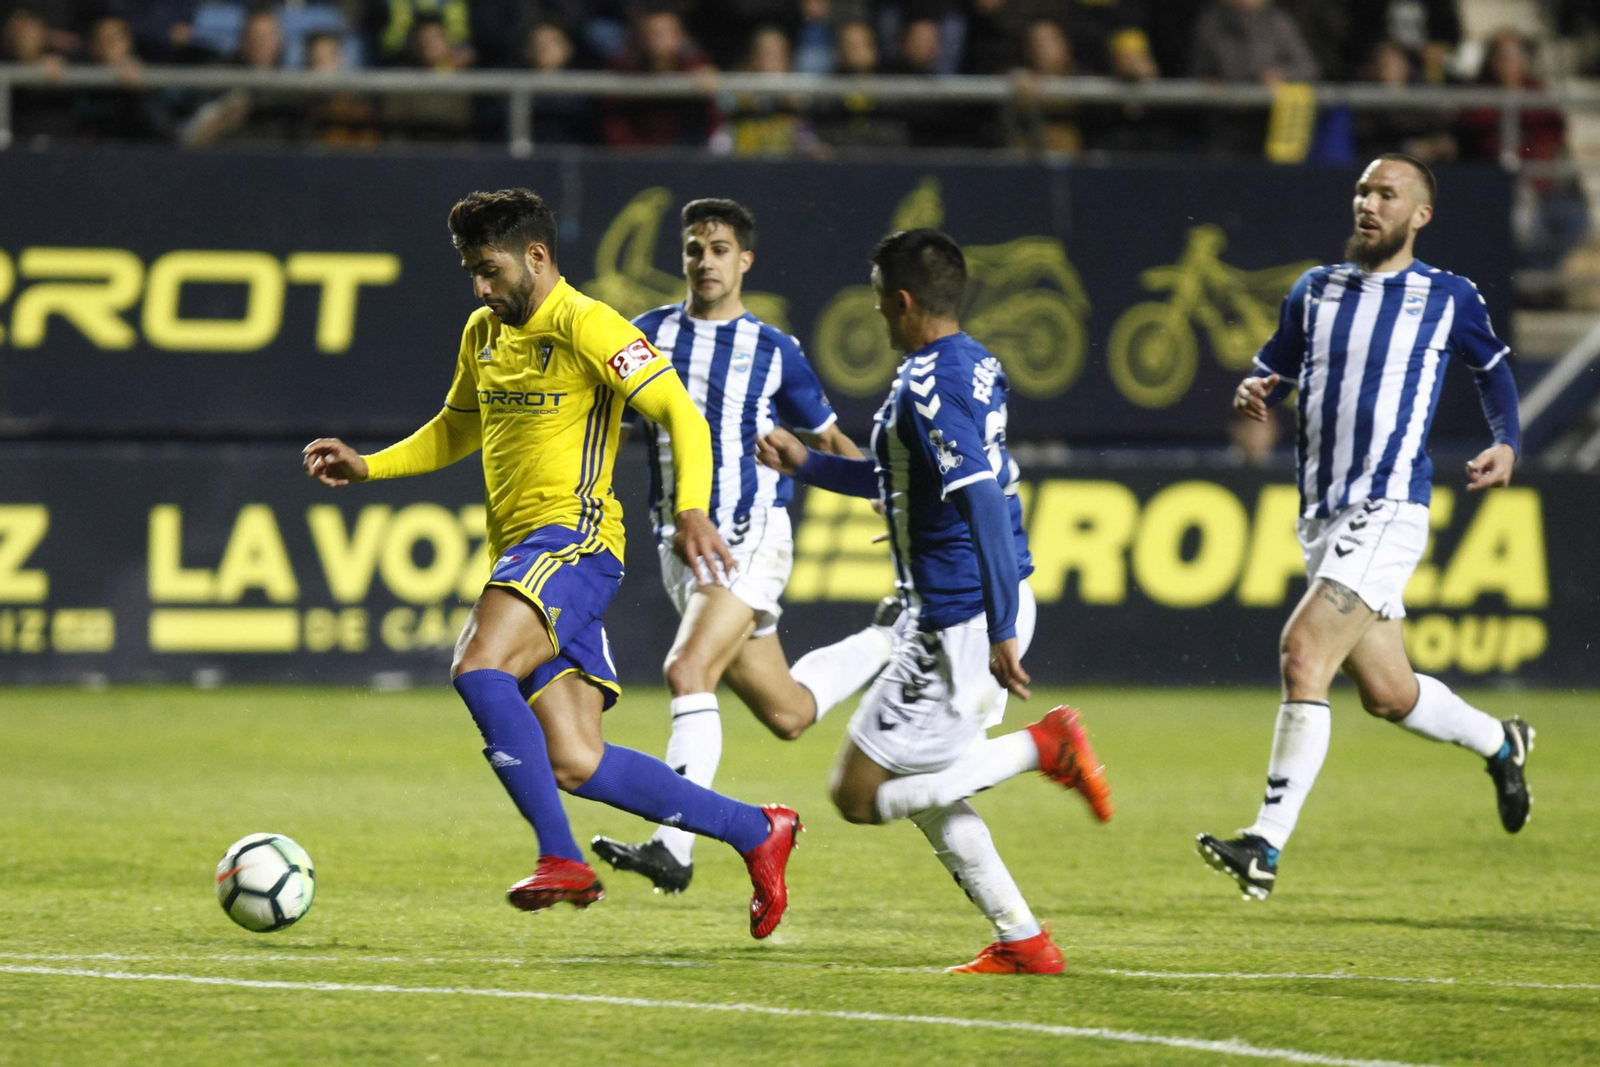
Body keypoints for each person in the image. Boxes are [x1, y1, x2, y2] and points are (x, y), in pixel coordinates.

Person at [301, 188, 801, 940]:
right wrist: (370, 467)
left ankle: (560, 855)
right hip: (529, 556)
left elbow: (680, 415)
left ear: (536, 256)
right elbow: (454, 428)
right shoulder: (482, 333)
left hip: (576, 541)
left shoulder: (590, 325)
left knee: (477, 664)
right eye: (472, 271)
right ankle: (756, 828)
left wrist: (692, 506)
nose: (480, 287)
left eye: (490, 269)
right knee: (576, 758)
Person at [755, 230, 1114, 974]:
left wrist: (1002, 627)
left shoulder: (927, 385)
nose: (877, 310)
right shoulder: (974, 363)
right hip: (970, 607)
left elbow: (981, 498)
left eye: (880, 296)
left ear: (903, 299)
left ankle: (1041, 747)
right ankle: (1023, 939)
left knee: (857, 791)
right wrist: (809, 462)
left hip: (959, 620)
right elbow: (910, 479)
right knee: (921, 788)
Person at [1196, 154, 1532, 901]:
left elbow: (1494, 370)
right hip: (1320, 511)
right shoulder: (1314, 290)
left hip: (1387, 506)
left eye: (1387, 194)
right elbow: (1273, 366)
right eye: (1362, 190)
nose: (1368, 203)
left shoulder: (1446, 296)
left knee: (1301, 652)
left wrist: (1506, 438)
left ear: (1421, 216)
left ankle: (1265, 845)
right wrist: (1258, 387)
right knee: (1388, 692)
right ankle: (1500, 741)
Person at [591, 198, 894, 894]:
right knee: (786, 711)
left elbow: (826, 438)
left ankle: (675, 846)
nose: (705, 260)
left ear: (744, 261)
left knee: (686, 670)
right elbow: (610, 418)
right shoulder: (649, 333)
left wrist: (888, 498)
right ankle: (891, 641)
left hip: (747, 532)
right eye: (695, 248)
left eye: (719, 248)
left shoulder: (774, 349)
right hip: (680, 544)